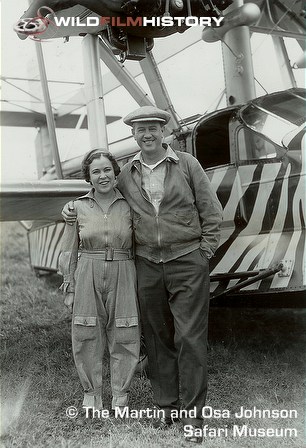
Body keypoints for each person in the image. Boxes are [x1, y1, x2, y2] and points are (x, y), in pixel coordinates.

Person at [62, 106, 223, 442]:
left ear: (163, 132)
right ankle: (166, 406)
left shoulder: (187, 165)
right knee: (156, 336)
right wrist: (72, 206)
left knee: (190, 338)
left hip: (187, 260)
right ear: (133, 134)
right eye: (140, 130)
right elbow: (102, 194)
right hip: (146, 264)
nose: (147, 134)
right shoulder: (127, 172)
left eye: (153, 128)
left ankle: (192, 416)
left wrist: (203, 253)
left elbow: (211, 211)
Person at [59, 149, 140, 417]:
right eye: (96, 171)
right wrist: (69, 286)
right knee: (86, 332)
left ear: (115, 173)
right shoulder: (77, 208)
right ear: (88, 177)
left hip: (124, 269)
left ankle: (120, 396)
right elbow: (69, 250)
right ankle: (91, 394)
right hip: (88, 271)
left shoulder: (129, 205)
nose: (102, 176)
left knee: (125, 331)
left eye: (107, 170)